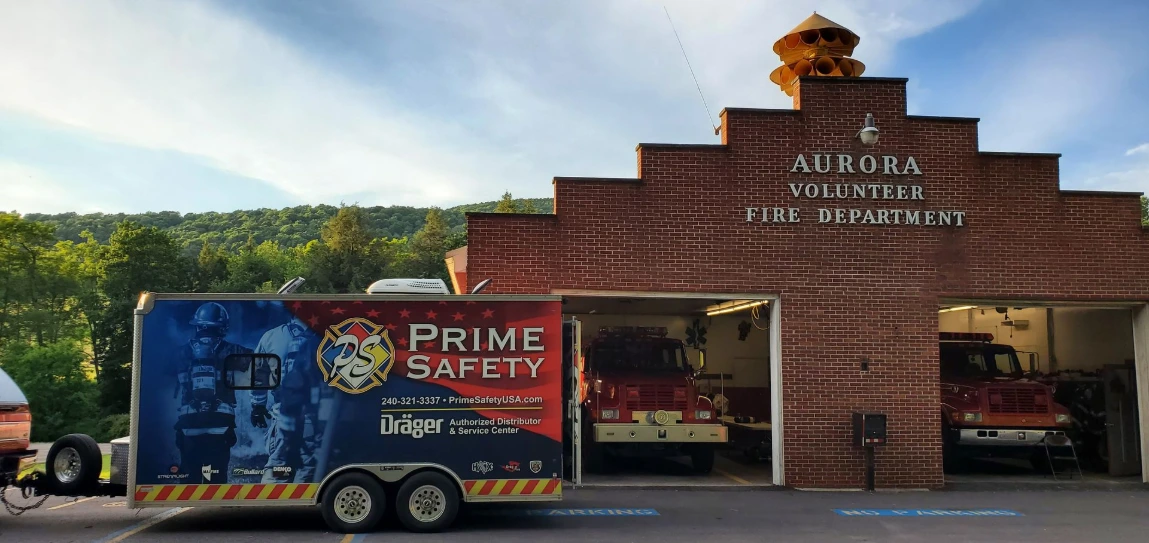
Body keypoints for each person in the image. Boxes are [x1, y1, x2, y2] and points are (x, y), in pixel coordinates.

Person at [173, 302, 251, 480]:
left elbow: (160, 372)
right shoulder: (233, 350)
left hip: (189, 422)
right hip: (221, 422)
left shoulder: (181, 353)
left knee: (190, 475)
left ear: (197, 326)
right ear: (222, 327)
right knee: (217, 476)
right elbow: (261, 361)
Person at [250, 315, 321, 484]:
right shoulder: (327, 338)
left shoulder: (271, 337)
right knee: (307, 469)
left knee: (279, 467)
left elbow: (258, 375)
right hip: (314, 420)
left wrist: (258, 406)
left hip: (283, 417)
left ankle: (273, 498)